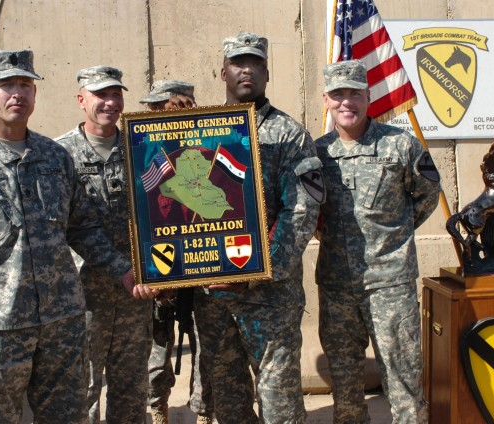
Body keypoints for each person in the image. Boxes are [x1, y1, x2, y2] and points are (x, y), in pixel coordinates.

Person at [0, 50, 157, 424]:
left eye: (25, 84)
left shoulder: (55, 157)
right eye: (6, 84)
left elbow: (82, 227)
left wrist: (123, 269)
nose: (17, 93)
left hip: (61, 321)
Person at [192, 32, 325, 424]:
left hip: (269, 294)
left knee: (278, 398)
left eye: (254, 63)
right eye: (238, 63)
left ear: (267, 72)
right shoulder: (199, 130)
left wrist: (259, 269)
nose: (246, 70)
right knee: (229, 399)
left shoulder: (288, 135)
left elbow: (302, 209)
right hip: (213, 291)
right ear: (223, 72)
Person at [314, 59, 440, 424]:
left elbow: (427, 196)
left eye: (355, 93)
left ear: (369, 96)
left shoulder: (401, 145)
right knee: (345, 384)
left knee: (403, 381)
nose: (346, 102)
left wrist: (393, 235)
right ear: (326, 100)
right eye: (338, 94)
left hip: (391, 284)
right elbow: (310, 213)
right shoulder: (318, 154)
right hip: (337, 286)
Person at [55, 65, 153, 423]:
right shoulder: (59, 155)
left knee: (131, 387)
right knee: (82, 389)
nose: (110, 102)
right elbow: (69, 228)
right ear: (81, 100)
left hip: (136, 294)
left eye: (115, 94)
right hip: (83, 296)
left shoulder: (141, 148)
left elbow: (165, 211)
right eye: (100, 95)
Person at [139, 80, 213, 424]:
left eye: (164, 107)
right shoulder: (141, 149)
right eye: (154, 108)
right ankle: (157, 406)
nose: (155, 114)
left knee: (206, 349)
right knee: (156, 350)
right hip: (160, 266)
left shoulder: (208, 146)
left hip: (204, 265)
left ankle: (202, 412)